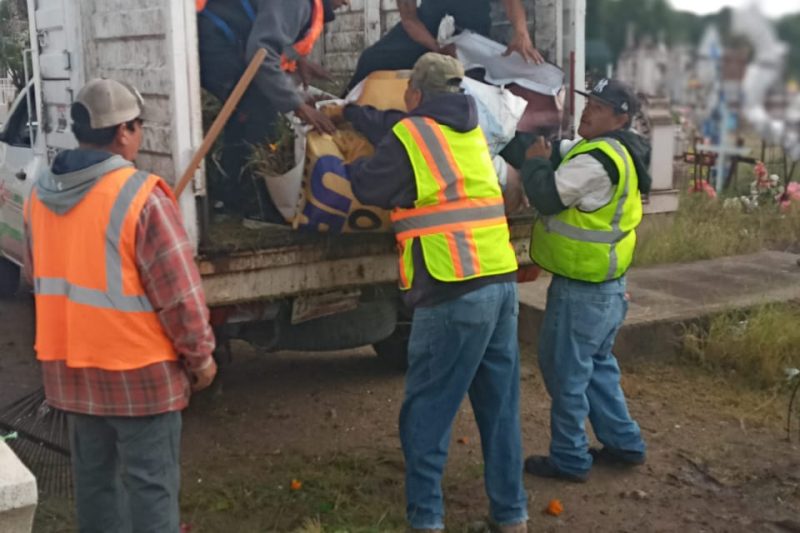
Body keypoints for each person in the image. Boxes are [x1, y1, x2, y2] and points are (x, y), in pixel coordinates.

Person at [326, 53, 528, 532]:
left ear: (414, 95)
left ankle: (427, 522)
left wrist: (338, 157)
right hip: (499, 282)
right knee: (499, 410)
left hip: (451, 287)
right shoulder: (469, 130)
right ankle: (511, 516)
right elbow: (395, 127)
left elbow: (373, 185)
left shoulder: (411, 136)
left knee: (427, 413)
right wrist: (356, 114)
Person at [24, 79, 217, 532]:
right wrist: (201, 358)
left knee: (94, 486)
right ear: (124, 131)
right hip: (140, 374)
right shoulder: (139, 196)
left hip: (71, 370)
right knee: (151, 487)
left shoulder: (38, 195)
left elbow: (37, 276)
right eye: (138, 126)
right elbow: (179, 296)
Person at [517, 78, 650, 482]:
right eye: (588, 101)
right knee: (596, 368)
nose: (588, 111)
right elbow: (562, 152)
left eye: (599, 106)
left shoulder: (598, 160)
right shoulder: (615, 151)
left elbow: (548, 196)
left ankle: (570, 458)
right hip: (606, 288)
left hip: (582, 291)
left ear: (620, 117)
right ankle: (625, 442)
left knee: (566, 374)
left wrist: (535, 164)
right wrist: (522, 139)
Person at [196, 0, 348, 218]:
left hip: (228, 40)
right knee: (257, 110)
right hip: (215, 40)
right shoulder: (296, 4)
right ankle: (244, 202)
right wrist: (299, 107)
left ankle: (232, 198)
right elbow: (262, 53)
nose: (348, 2)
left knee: (252, 109)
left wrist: (300, 62)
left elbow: (277, 37)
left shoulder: (305, 6)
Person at [345, 0, 544, 92]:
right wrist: (437, 49)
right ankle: (344, 108)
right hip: (425, 32)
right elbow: (409, 19)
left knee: (478, 79)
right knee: (371, 59)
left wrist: (521, 33)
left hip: (472, 34)